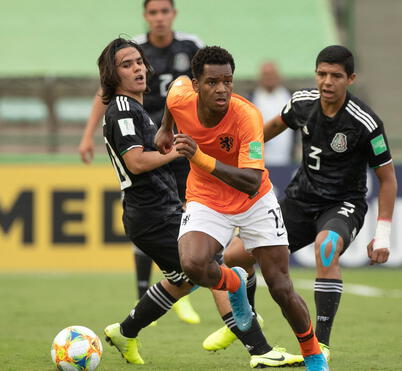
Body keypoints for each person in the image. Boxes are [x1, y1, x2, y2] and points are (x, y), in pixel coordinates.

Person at [98, 37, 304, 369]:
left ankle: (125, 331)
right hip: (150, 212)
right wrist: (178, 151)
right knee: (212, 268)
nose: (137, 68)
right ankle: (259, 348)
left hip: (159, 208)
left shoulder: (139, 107)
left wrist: (167, 131)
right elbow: (136, 162)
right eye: (126, 64)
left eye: (139, 61)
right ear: (111, 74)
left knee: (186, 278)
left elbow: (174, 96)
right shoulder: (122, 109)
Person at [203, 45, 398, 363]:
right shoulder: (302, 103)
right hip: (300, 199)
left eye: (336, 76)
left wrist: (384, 234)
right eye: (322, 74)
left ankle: (321, 344)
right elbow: (266, 131)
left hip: (342, 204)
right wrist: (233, 156)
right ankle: (247, 320)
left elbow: (387, 179)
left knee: (326, 248)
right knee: (236, 256)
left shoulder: (366, 122)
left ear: (350, 79)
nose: (327, 81)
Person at [156, 46, 329, 371]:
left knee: (280, 287)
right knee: (192, 264)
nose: (221, 89)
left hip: (254, 201)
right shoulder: (181, 96)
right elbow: (171, 95)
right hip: (207, 198)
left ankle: (314, 355)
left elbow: (250, 181)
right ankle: (234, 283)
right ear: (196, 84)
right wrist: (166, 127)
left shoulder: (246, 115)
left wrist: (198, 157)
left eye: (228, 81)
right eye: (212, 82)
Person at [78, 0, 203, 324]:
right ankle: (167, 285)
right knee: (149, 208)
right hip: (144, 139)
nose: (159, 17)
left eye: (165, 11)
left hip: (178, 141)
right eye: (153, 12)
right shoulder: (132, 52)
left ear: (173, 15)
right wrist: (87, 135)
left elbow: (210, 84)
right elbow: (102, 92)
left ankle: (179, 283)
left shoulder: (191, 46)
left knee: (186, 217)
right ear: (145, 17)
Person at [250, 62, 294, 166]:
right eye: (266, 75)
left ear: (278, 76)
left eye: (272, 74)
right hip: (261, 161)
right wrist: (254, 161)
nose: (269, 78)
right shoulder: (252, 99)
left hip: (286, 160)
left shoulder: (289, 98)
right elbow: (251, 132)